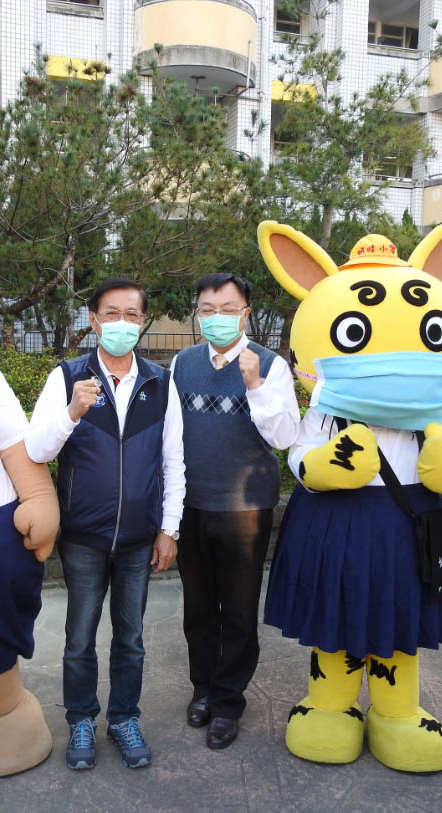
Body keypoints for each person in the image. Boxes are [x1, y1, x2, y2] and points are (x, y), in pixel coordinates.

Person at [25, 277, 185, 771]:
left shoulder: (160, 382)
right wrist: (72, 411)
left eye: (131, 315)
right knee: (79, 639)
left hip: (139, 539)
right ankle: (80, 720)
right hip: (84, 538)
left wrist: (169, 529)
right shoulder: (67, 377)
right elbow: (37, 449)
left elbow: (173, 461)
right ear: (93, 321)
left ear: (143, 322)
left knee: (130, 640)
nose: (121, 323)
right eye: (111, 314)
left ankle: (124, 719)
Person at [170, 273, 301, 750]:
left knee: (240, 609)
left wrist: (255, 385)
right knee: (198, 607)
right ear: (197, 314)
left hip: (245, 508)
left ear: (246, 313)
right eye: (207, 309)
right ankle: (203, 689)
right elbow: (170, 438)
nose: (217, 317)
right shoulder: (182, 363)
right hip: (192, 504)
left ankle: (228, 702)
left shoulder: (271, 365)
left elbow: (285, 437)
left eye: (228, 309)